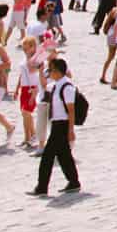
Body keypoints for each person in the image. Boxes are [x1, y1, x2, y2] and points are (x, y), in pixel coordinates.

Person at [30, 56, 82, 197]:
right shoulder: (57, 84)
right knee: (64, 155)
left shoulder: (67, 87)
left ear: (58, 72)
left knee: (47, 156)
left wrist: (71, 130)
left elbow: (70, 110)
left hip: (62, 125)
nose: (50, 73)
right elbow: (44, 86)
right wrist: (41, 71)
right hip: (56, 123)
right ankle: (74, 182)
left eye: (51, 70)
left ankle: (42, 187)